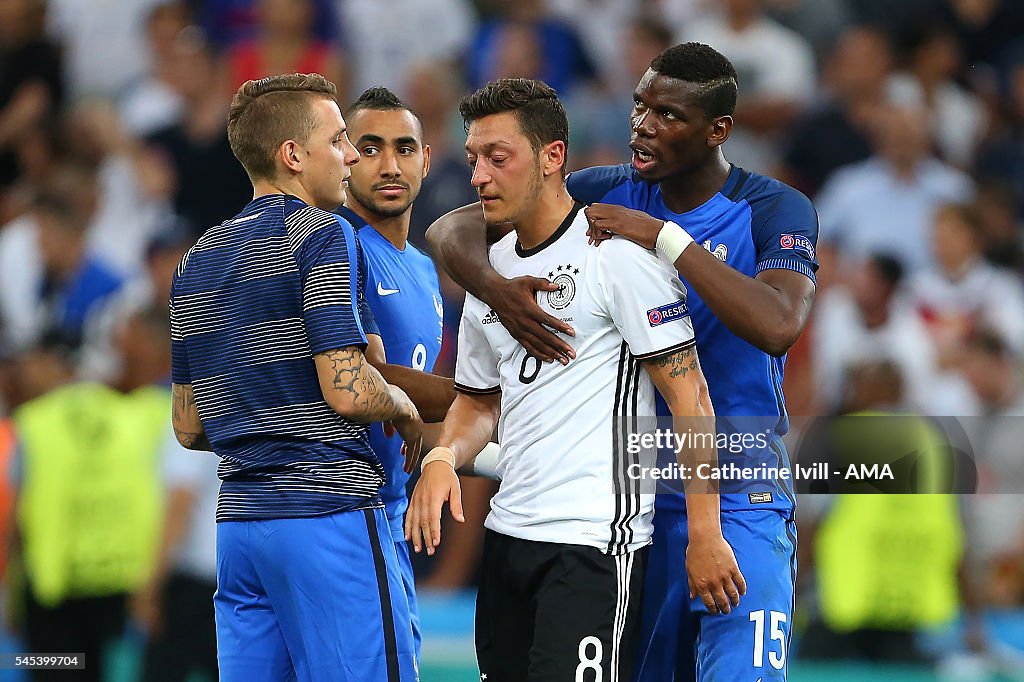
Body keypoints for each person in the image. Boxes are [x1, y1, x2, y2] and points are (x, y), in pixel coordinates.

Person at [426, 43, 818, 681]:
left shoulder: (772, 208)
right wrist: (502, 294)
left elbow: (779, 326)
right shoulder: (603, 188)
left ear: (717, 130)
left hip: (740, 491)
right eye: (640, 105)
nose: (643, 124)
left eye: (667, 114)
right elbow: (451, 231)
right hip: (629, 502)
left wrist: (665, 239)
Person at [169, 73, 421, 682]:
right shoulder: (317, 230)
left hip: (238, 532)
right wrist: (404, 408)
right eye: (339, 141)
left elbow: (187, 425)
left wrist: (262, 410)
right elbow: (347, 386)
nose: (352, 156)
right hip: (325, 519)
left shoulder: (196, 258)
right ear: (293, 155)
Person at [333, 85, 452, 661]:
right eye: (370, 147)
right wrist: (493, 403)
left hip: (391, 511)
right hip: (349, 512)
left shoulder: (426, 271)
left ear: (426, 160)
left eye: (405, 148)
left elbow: (422, 400)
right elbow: (364, 373)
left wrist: (445, 454)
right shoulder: (336, 246)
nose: (389, 164)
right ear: (344, 157)